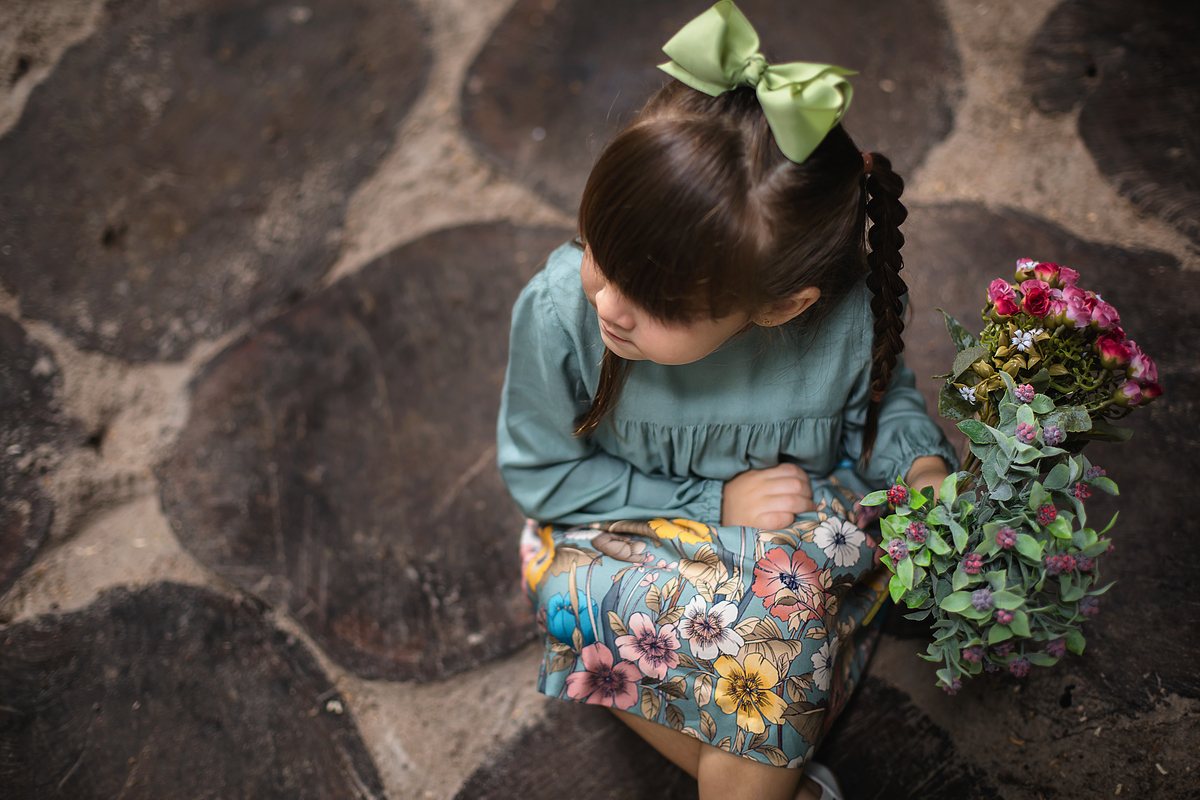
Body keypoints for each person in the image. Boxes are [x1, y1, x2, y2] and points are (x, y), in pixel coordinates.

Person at [496, 3, 956, 798]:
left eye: (658, 302)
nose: (608, 303)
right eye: (600, 252)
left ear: (779, 308)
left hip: (789, 536)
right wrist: (713, 499)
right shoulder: (557, 314)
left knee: (787, 608)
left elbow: (879, 412)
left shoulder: (844, 325)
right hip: (625, 530)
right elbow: (544, 478)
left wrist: (919, 468)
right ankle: (781, 757)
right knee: (567, 588)